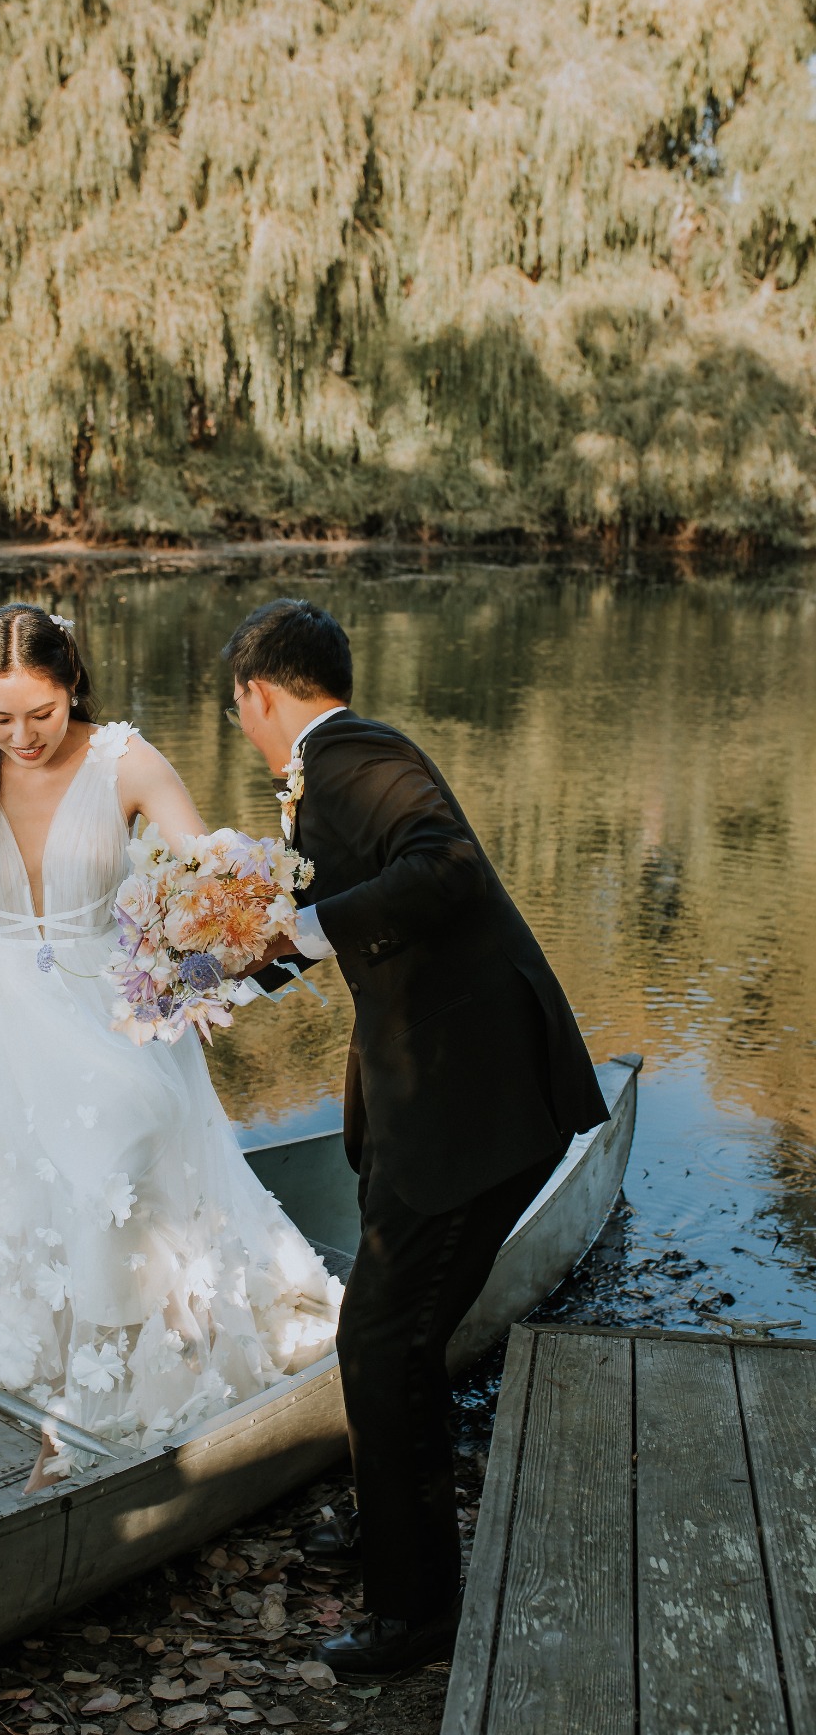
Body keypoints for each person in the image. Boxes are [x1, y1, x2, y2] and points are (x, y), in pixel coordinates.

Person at [224, 598, 610, 1678]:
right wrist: (214, 968)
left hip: (472, 1106)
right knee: (394, 1337)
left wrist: (297, 926)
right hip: (439, 1098)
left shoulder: (355, 753)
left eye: (238, 712)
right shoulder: (334, 770)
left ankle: (416, 1613)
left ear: (258, 693)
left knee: (383, 1342)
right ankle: (383, 1516)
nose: (244, 733)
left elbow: (441, 869)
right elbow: (339, 910)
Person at [0, 602, 341, 1491]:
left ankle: (92, 1411)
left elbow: (205, 869)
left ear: (72, 689)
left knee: (116, 1169)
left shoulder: (126, 762)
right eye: (0, 718)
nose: (22, 736)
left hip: (111, 1011)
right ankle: (49, 1364)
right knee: (19, 1190)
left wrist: (228, 914)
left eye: (43, 714)